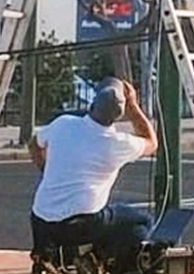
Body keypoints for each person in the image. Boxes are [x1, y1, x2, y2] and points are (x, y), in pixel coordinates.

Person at [29, 78, 158, 272]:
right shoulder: (118, 143)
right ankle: (99, 258)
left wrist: (46, 170)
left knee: (104, 216)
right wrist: (133, 105)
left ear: (92, 105)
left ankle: (52, 258)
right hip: (84, 223)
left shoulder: (62, 124)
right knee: (141, 222)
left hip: (40, 218)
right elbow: (151, 142)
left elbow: (33, 144)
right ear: (118, 116)